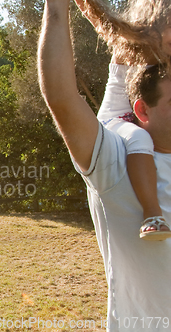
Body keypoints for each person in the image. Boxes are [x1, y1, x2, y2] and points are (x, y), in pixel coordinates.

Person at [38, 0, 171, 330]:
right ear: (144, 111)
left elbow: (128, 50)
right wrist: (56, 8)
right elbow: (62, 98)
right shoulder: (116, 162)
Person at [74, 0, 171, 240]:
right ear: (150, 31)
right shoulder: (130, 45)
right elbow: (104, 26)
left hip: (140, 112)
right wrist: (87, 5)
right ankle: (152, 215)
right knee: (139, 138)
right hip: (117, 116)